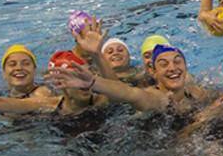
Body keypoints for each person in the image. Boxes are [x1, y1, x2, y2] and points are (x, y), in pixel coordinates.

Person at [0, 28, 106, 120]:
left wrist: (97, 55)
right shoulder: (50, 102)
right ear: (3, 73)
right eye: (12, 64)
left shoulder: (43, 97)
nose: (19, 68)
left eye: (26, 63)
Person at [48, 43, 212, 119]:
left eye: (177, 61)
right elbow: (131, 94)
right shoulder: (158, 98)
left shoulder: (196, 93)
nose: (172, 68)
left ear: (185, 67)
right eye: (164, 64)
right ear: (153, 72)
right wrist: (93, 82)